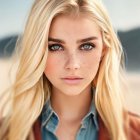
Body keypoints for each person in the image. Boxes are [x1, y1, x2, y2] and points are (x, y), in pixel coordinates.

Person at [0, 0, 140, 140]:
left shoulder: (135, 132)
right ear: (36, 52)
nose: (73, 64)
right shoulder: (4, 133)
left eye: (86, 46)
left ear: (104, 50)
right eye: (55, 47)